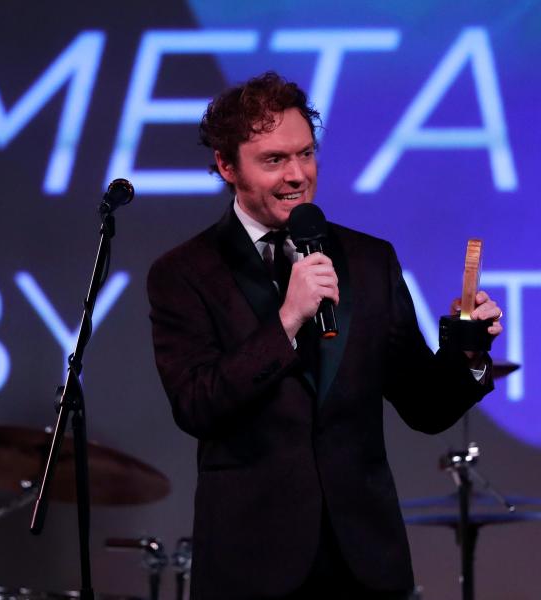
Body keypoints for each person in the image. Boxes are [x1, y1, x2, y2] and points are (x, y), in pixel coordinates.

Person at [147, 71, 503, 600]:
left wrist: (468, 346)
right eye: (274, 160)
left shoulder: (369, 260)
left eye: (306, 154)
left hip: (364, 564)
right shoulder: (186, 272)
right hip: (251, 568)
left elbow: (424, 407)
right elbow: (197, 405)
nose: (297, 175)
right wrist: (286, 321)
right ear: (227, 166)